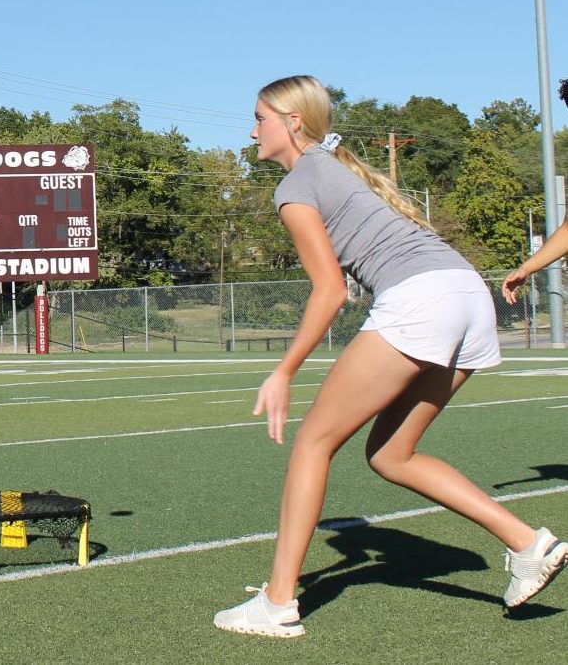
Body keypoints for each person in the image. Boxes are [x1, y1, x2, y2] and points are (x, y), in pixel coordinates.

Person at [213, 75, 566, 638]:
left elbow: (328, 291)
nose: (251, 129)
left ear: (292, 123)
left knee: (314, 442)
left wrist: (284, 371)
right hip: (468, 292)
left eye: (259, 118)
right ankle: (529, 545)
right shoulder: (333, 169)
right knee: (391, 454)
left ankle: (279, 602)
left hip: (422, 299)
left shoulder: (296, 185)